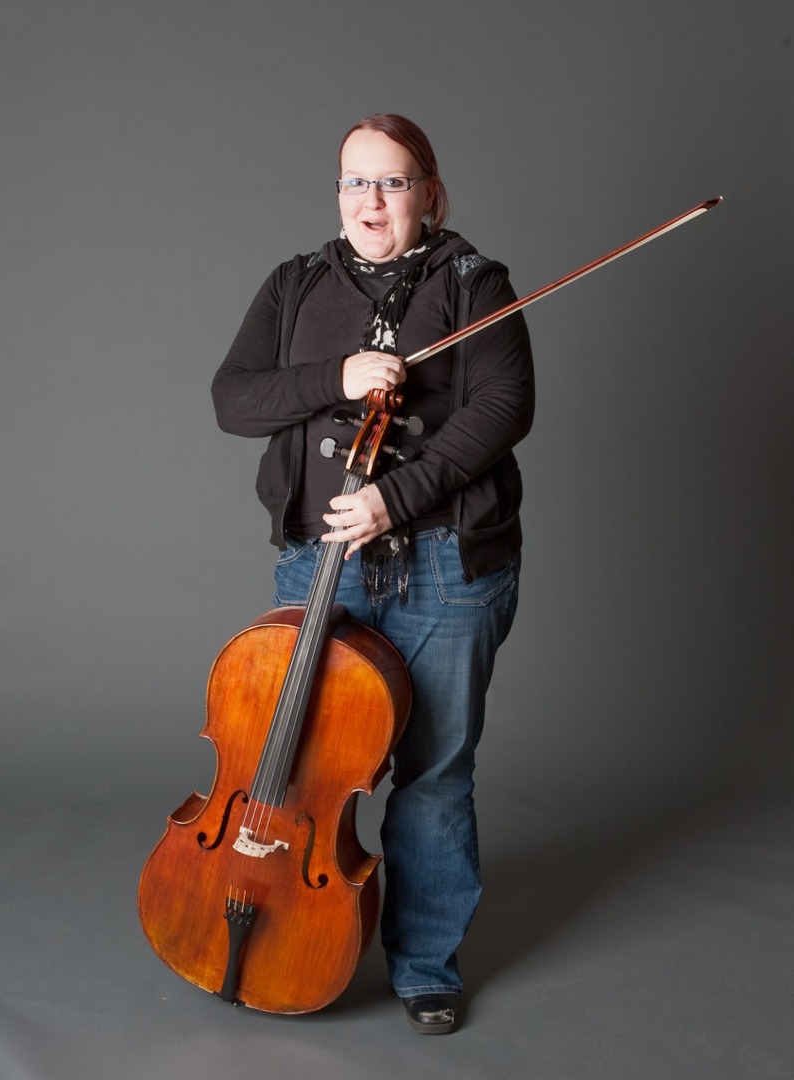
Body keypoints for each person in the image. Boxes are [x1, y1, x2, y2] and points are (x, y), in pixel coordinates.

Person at [211, 113, 534, 1033]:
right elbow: (234, 399)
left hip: (444, 567)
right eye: (355, 182)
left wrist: (401, 496)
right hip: (322, 565)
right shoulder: (295, 284)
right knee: (303, 765)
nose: (371, 201)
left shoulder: (477, 285)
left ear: (428, 192)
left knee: (432, 770)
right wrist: (334, 377)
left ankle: (425, 965)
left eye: (392, 183)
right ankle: (287, 932)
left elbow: (504, 407)